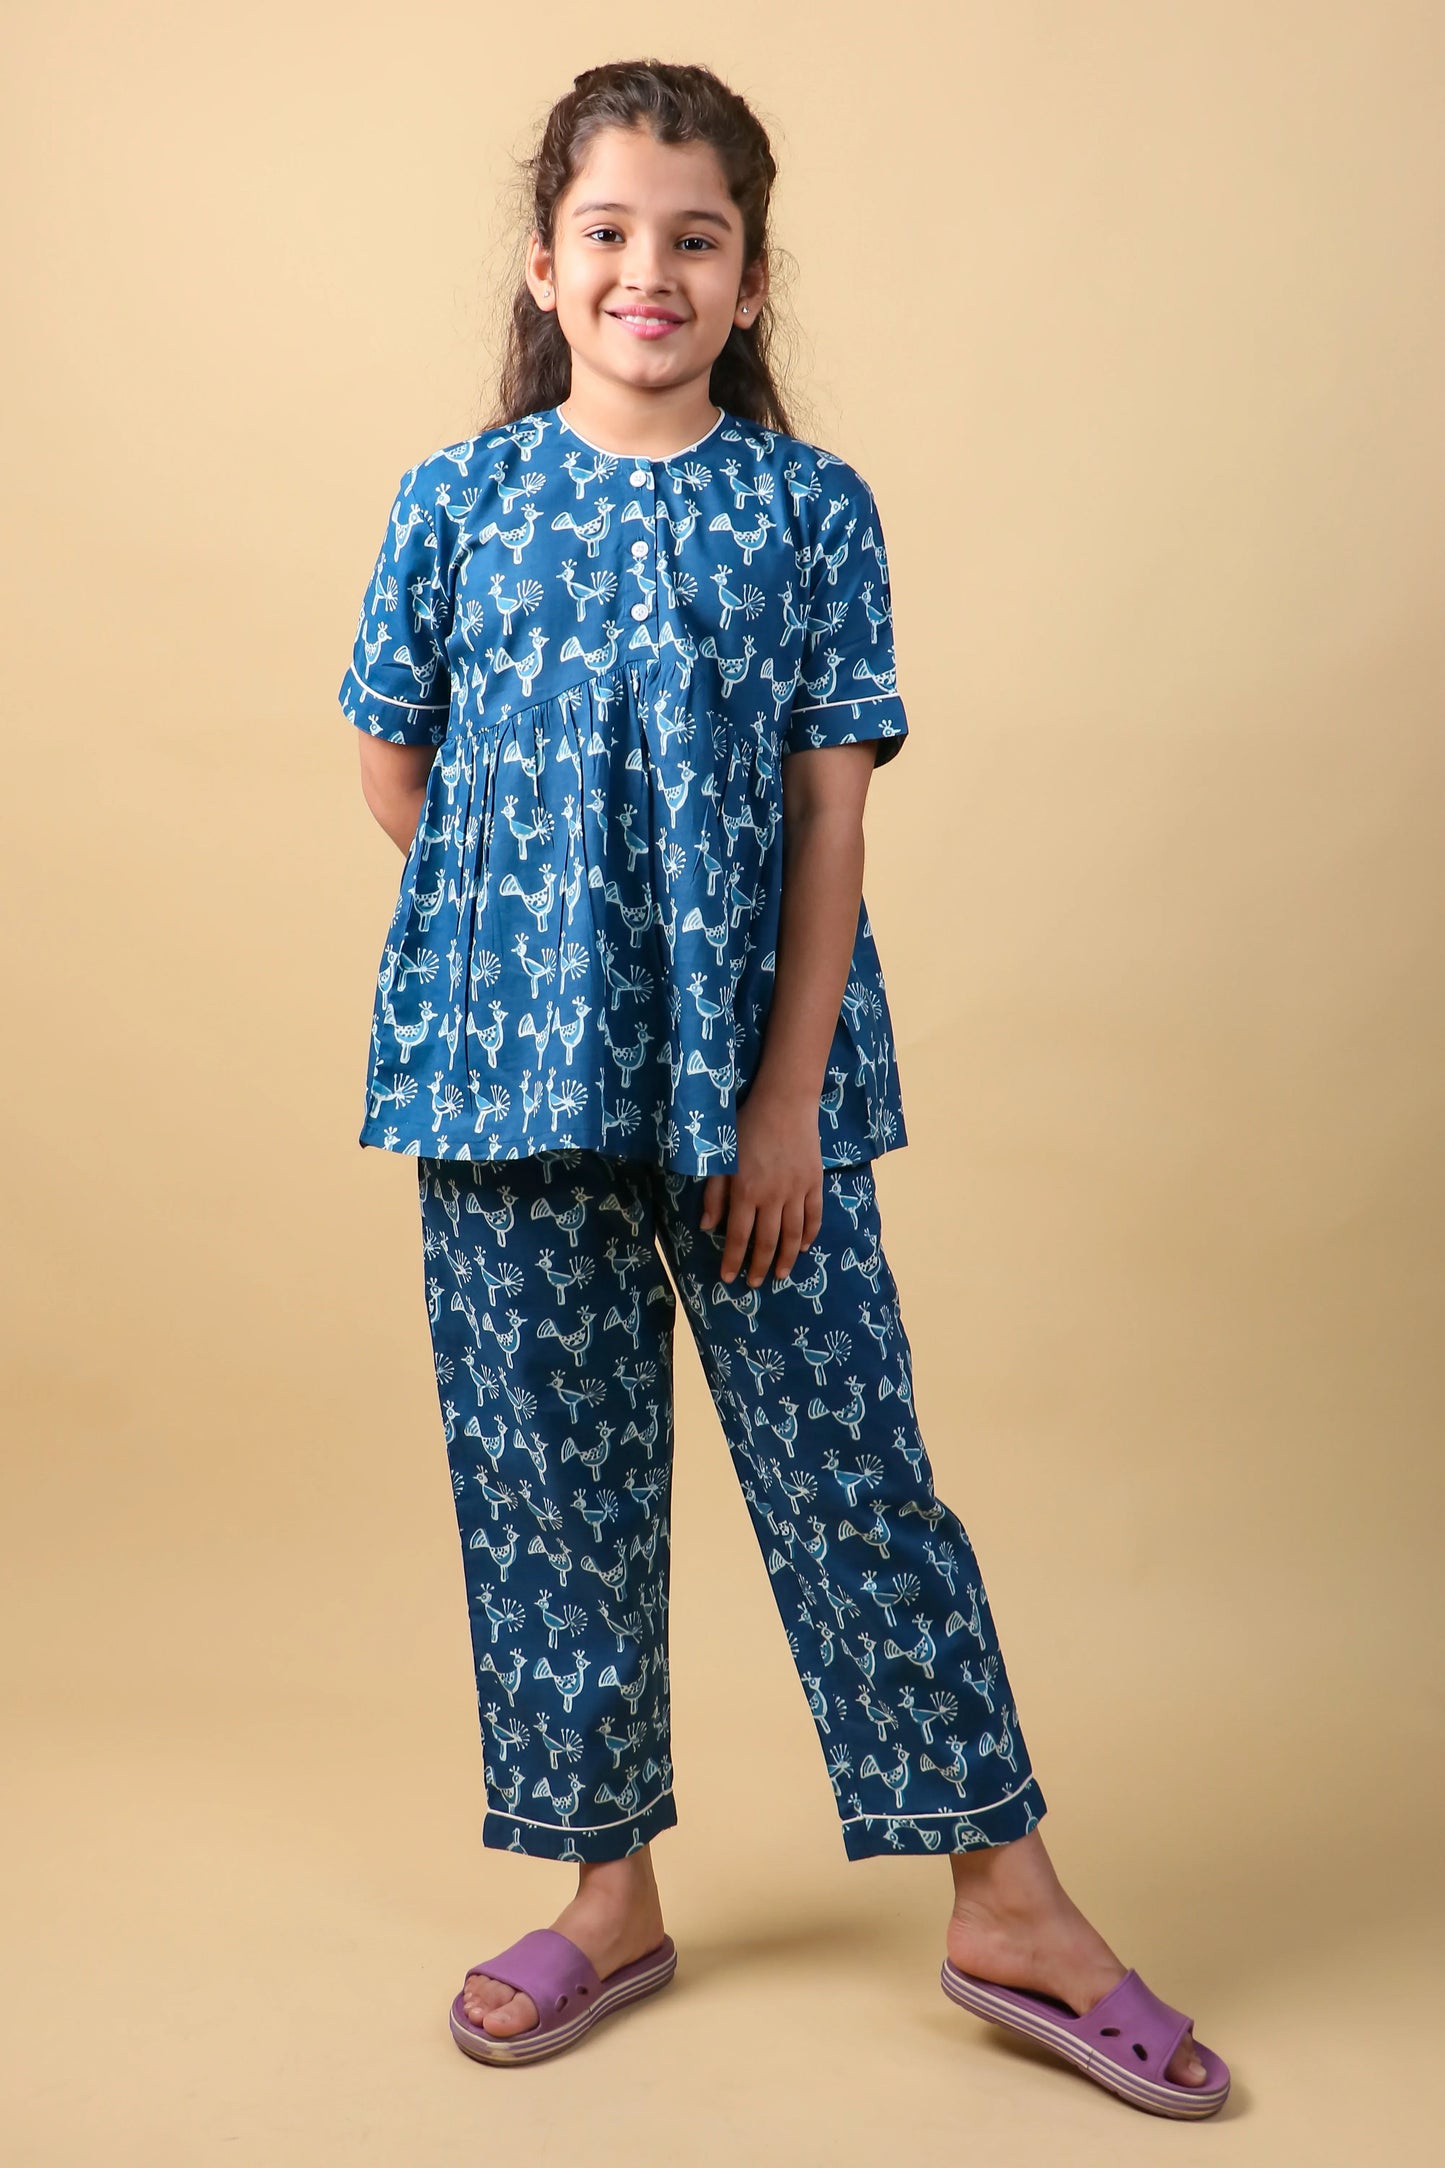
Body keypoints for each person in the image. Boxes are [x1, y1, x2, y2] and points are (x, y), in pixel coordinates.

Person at [336, 58, 1230, 2117]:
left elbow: (830, 821)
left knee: (854, 1477)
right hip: (503, 1085)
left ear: (747, 280)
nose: (647, 270)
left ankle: (1009, 1905)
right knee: (547, 1488)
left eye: (696, 237)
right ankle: (605, 1894)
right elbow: (398, 762)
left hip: (759, 1084)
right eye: (608, 232)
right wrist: (533, 954)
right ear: (544, 266)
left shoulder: (811, 511)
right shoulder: (454, 501)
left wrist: (780, 1102)